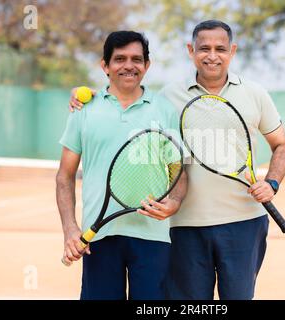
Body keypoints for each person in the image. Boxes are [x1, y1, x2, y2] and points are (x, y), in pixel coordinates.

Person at [69, 20, 285, 300]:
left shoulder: (255, 94)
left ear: (232, 51)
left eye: (220, 48)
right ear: (191, 50)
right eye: (204, 48)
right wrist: (83, 96)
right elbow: (125, 92)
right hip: (184, 229)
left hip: (244, 224)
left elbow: (282, 144)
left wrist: (272, 182)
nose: (212, 55)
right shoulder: (166, 99)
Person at [57, 30, 187, 300]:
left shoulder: (164, 109)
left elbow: (179, 171)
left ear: (147, 66)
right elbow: (65, 176)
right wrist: (70, 228)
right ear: (105, 65)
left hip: (153, 237)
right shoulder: (84, 109)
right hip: (99, 235)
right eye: (120, 59)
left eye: (137, 59)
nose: (129, 65)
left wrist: (174, 201)